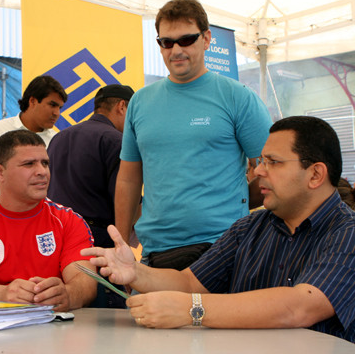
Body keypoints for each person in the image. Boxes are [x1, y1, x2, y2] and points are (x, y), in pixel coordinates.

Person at [83, 116, 355, 342]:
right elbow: (189, 282)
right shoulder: (248, 228)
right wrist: (136, 272)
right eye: (261, 161)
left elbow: (301, 306)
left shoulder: (347, 234)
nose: (259, 171)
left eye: (273, 162)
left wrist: (193, 310)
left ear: (316, 174)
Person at [116, 0, 272, 270]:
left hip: (223, 248)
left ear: (206, 38)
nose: (175, 50)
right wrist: (121, 245)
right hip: (156, 253)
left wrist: (235, 204)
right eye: (166, 42)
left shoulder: (237, 97)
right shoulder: (140, 102)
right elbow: (129, 179)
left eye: (186, 40)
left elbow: (274, 168)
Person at [0, 130, 96, 311]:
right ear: (0, 172)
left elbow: (86, 283)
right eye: (29, 164)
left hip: (55, 332)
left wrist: (68, 294)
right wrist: (2, 295)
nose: (42, 172)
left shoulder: (70, 221)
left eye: (45, 163)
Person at [0, 75, 67, 213]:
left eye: (60, 107)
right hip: (0, 222)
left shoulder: (57, 140)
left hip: (43, 224)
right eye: (52, 105)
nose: (57, 113)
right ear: (33, 101)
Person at [47, 83, 135, 248]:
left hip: (54, 235)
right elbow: (125, 198)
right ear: (122, 106)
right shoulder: (116, 140)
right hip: (95, 240)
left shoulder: (58, 138)